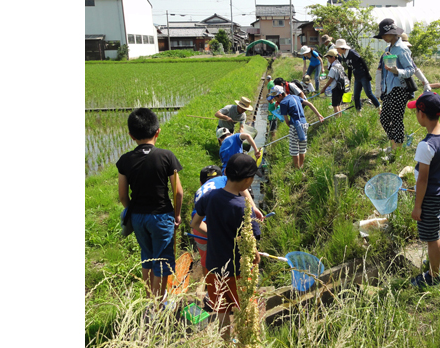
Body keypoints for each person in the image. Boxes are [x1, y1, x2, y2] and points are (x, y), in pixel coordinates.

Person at [116, 108, 184, 304]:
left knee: (147, 256)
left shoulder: (125, 160)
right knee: (162, 260)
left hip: (138, 217)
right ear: (158, 132)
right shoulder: (166, 156)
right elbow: (178, 192)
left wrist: (132, 210)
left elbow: (123, 195)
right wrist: (177, 215)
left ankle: (148, 301)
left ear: (131, 135)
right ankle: (157, 306)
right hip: (161, 216)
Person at [190, 153, 261, 339]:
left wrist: (214, 234)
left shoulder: (210, 196)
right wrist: (256, 256)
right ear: (247, 180)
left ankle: (226, 342)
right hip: (237, 271)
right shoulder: (243, 207)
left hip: (213, 268)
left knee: (221, 310)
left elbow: (195, 224)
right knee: (246, 310)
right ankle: (246, 340)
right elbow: (251, 243)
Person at [406, 92, 440, 288]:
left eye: (416, 111)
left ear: (422, 114)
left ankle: (434, 278)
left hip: (429, 197)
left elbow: (423, 180)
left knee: (432, 237)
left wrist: (418, 206)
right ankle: (437, 263)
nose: (416, 114)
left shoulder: (425, 145)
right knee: (434, 232)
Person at [375, 18, 419, 152]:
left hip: (400, 89)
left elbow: (411, 70)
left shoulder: (402, 49)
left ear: (393, 33)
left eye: (385, 34)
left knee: (396, 120)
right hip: (389, 89)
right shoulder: (388, 49)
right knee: (384, 118)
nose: (383, 37)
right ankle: (394, 145)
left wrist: (397, 71)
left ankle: (397, 151)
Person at [271, 85, 324, 168]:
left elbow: (286, 120)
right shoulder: (295, 96)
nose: (275, 100)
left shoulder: (283, 103)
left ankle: (297, 169)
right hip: (304, 124)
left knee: (294, 150)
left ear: (280, 95)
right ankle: (301, 167)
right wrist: (319, 115)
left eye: (275, 98)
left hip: (295, 125)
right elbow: (309, 104)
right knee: (302, 148)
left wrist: (291, 127)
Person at [335, 38, 380, 114]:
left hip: (363, 75)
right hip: (357, 77)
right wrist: (348, 79)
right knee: (356, 95)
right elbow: (349, 68)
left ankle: (379, 108)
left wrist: (367, 74)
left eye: (337, 48)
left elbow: (362, 61)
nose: (337, 50)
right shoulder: (344, 56)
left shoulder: (352, 53)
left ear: (341, 47)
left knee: (369, 94)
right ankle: (359, 112)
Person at [319, 49, 347, 115]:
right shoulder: (340, 65)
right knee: (338, 104)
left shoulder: (333, 68)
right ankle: (340, 118)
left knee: (335, 105)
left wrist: (324, 88)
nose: (328, 60)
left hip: (335, 88)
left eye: (329, 58)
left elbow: (330, 79)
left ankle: (337, 118)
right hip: (341, 87)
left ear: (333, 57)